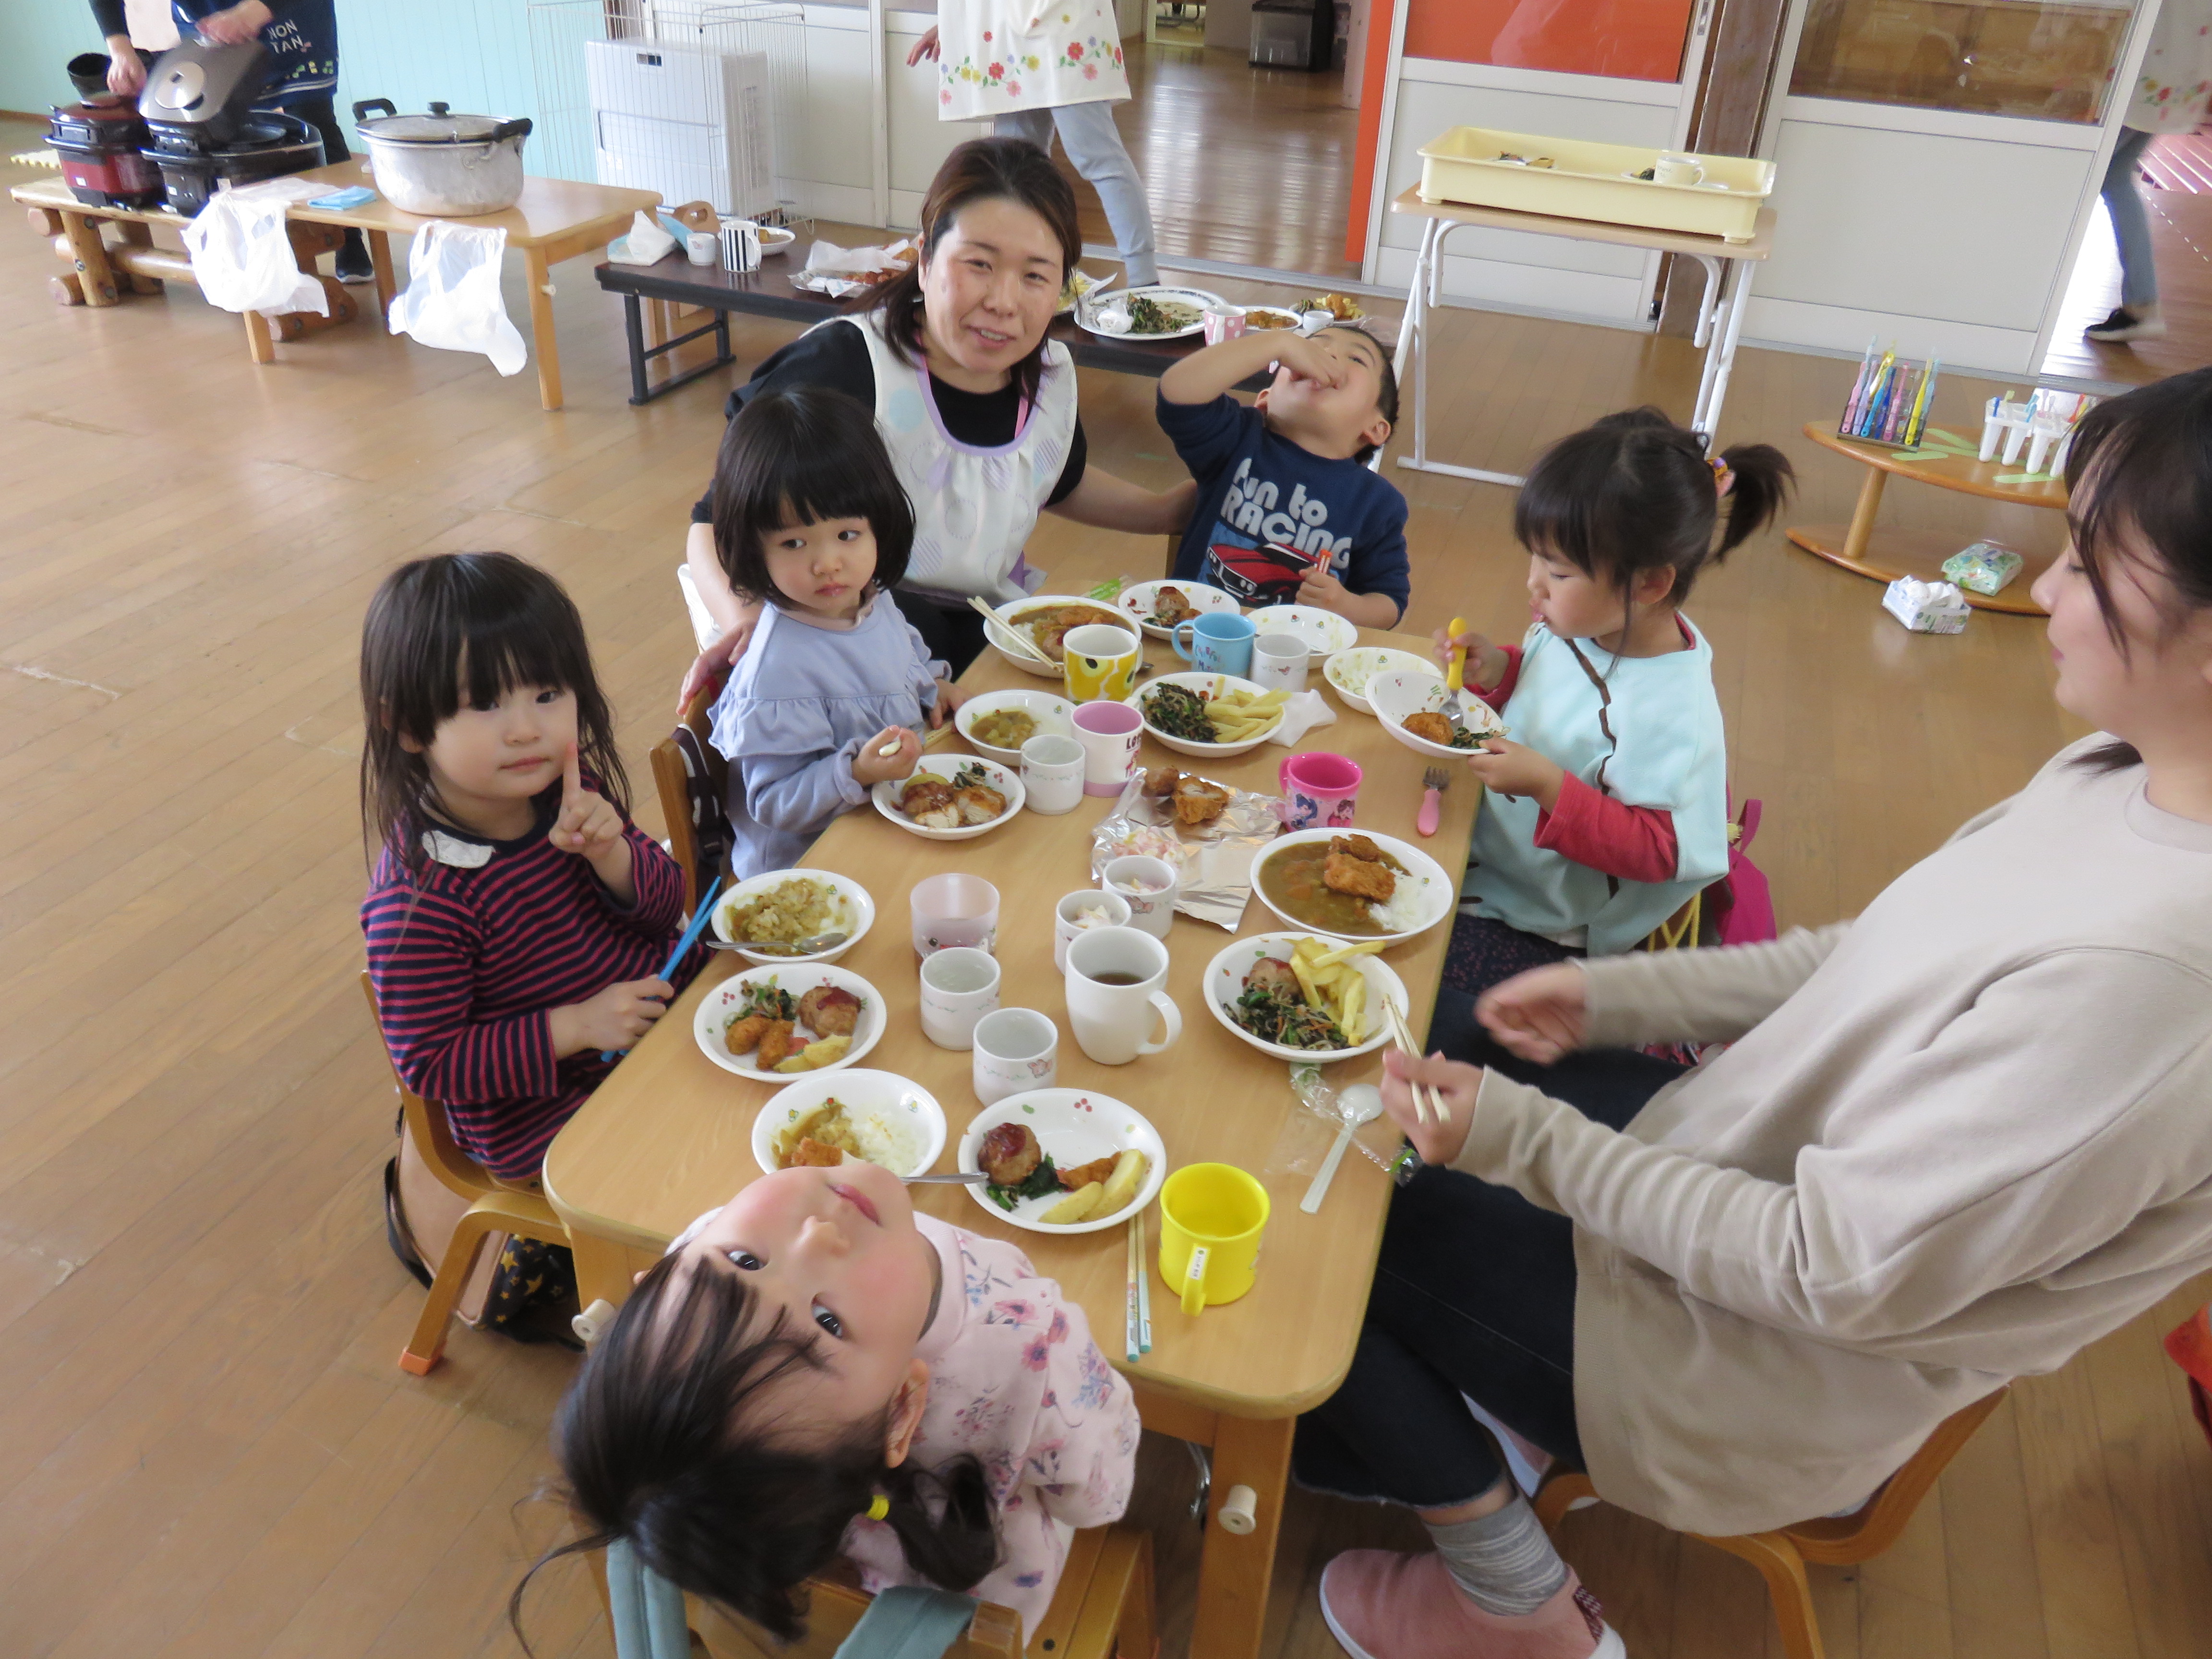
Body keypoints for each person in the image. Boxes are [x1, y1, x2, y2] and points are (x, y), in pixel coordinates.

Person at [1295, 368, 2212, 1659]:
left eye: (2092, 563)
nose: (2048, 591)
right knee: (1383, 1052)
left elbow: (1825, 1267)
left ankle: (1512, 1596)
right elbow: (1870, 956)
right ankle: (1486, 1401)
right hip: (1713, 1161)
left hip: (1732, 1367)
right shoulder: (2119, 772)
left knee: (1325, 1212)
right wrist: (1616, 994)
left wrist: (1524, 1139)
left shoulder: (2156, 981)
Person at [529, 1158, 1142, 1645]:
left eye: (746, 1261)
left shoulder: (697, 1288)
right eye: (828, 1322)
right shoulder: (1033, 1336)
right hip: (973, 1607)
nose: (816, 1237)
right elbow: (1099, 1497)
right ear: (903, 1412)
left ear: (655, 1281)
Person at [680, 138, 1193, 700]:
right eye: (979, 264)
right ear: (924, 261)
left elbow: (1054, 478)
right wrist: (744, 619)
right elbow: (714, 519)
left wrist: (1166, 511)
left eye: (1035, 276)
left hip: (978, 623)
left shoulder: (1048, 375)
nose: (1004, 302)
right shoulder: (845, 367)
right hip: (842, 632)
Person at [1427, 409, 1791, 1013]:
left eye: (1558, 570)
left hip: (1551, 921)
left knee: (1426, 995)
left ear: (1649, 585)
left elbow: (1659, 851)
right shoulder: (1590, 621)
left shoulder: (1670, 710)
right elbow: (1555, 688)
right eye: (1535, 558)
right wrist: (1499, 670)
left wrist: (1547, 786)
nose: (1534, 584)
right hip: (1494, 854)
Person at [359, 552, 696, 1183]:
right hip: (552, 1109)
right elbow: (431, 1064)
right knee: (709, 1158)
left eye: (546, 694)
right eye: (485, 703)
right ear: (405, 725)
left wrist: (614, 856)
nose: (525, 730)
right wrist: (577, 1025)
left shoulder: (568, 787)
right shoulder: (421, 900)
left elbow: (666, 906)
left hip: (661, 1017)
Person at [703, 386, 968, 878]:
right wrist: (856, 771)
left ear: (879, 525)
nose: (828, 563)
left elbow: (904, 659)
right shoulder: (777, 669)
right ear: (754, 548)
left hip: (889, 821)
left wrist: (934, 686)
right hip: (811, 872)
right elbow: (773, 803)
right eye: (793, 543)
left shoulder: (871, 601)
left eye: (847, 535)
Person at [92, 0, 373, 283]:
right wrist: (120, 49)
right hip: (209, 25)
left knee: (314, 127)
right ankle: (255, 248)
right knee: (227, 137)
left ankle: (348, 239)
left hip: (290, 20)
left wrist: (253, 11)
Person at [1156, 323, 1409, 625]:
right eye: (1312, 347)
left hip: (1296, 649)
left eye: (1356, 359)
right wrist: (1278, 343)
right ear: (1265, 399)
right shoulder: (1237, 439)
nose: (1326, 355)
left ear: (1376, 428)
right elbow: (1177, 392)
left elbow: (1390, 602)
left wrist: (1346, 606)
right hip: (1193, 635)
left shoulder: (1377, 503)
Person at [906, 2, 1157, 289]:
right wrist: (953, 22)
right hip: (1009, 34)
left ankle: (1145, 281)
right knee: (1013, 165)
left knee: (1098, 157)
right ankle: (1030, 271)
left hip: (1061, 20)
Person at [2086, 0, 2212, 342]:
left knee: (2093, 172)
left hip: (2142, 69)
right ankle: (2142, 303)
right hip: (2176, 73)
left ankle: (2142, 303)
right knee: (2113, 177)